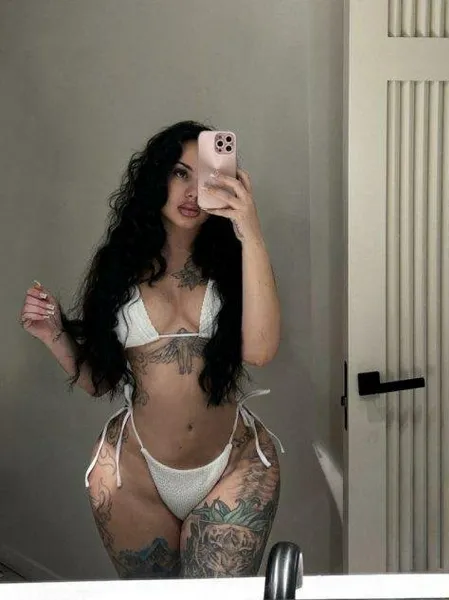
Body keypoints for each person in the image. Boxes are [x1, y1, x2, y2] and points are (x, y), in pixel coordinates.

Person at [19, 120, 283, 579]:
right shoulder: (119, 267)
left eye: (204, 175)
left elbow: (260, 350)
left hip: (233, 467)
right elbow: (99, 380)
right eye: (179, 173)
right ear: (155, 178)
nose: (191, 191)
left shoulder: (238, 262)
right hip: (134, 476)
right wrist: (53, 334)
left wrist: (251, 230)